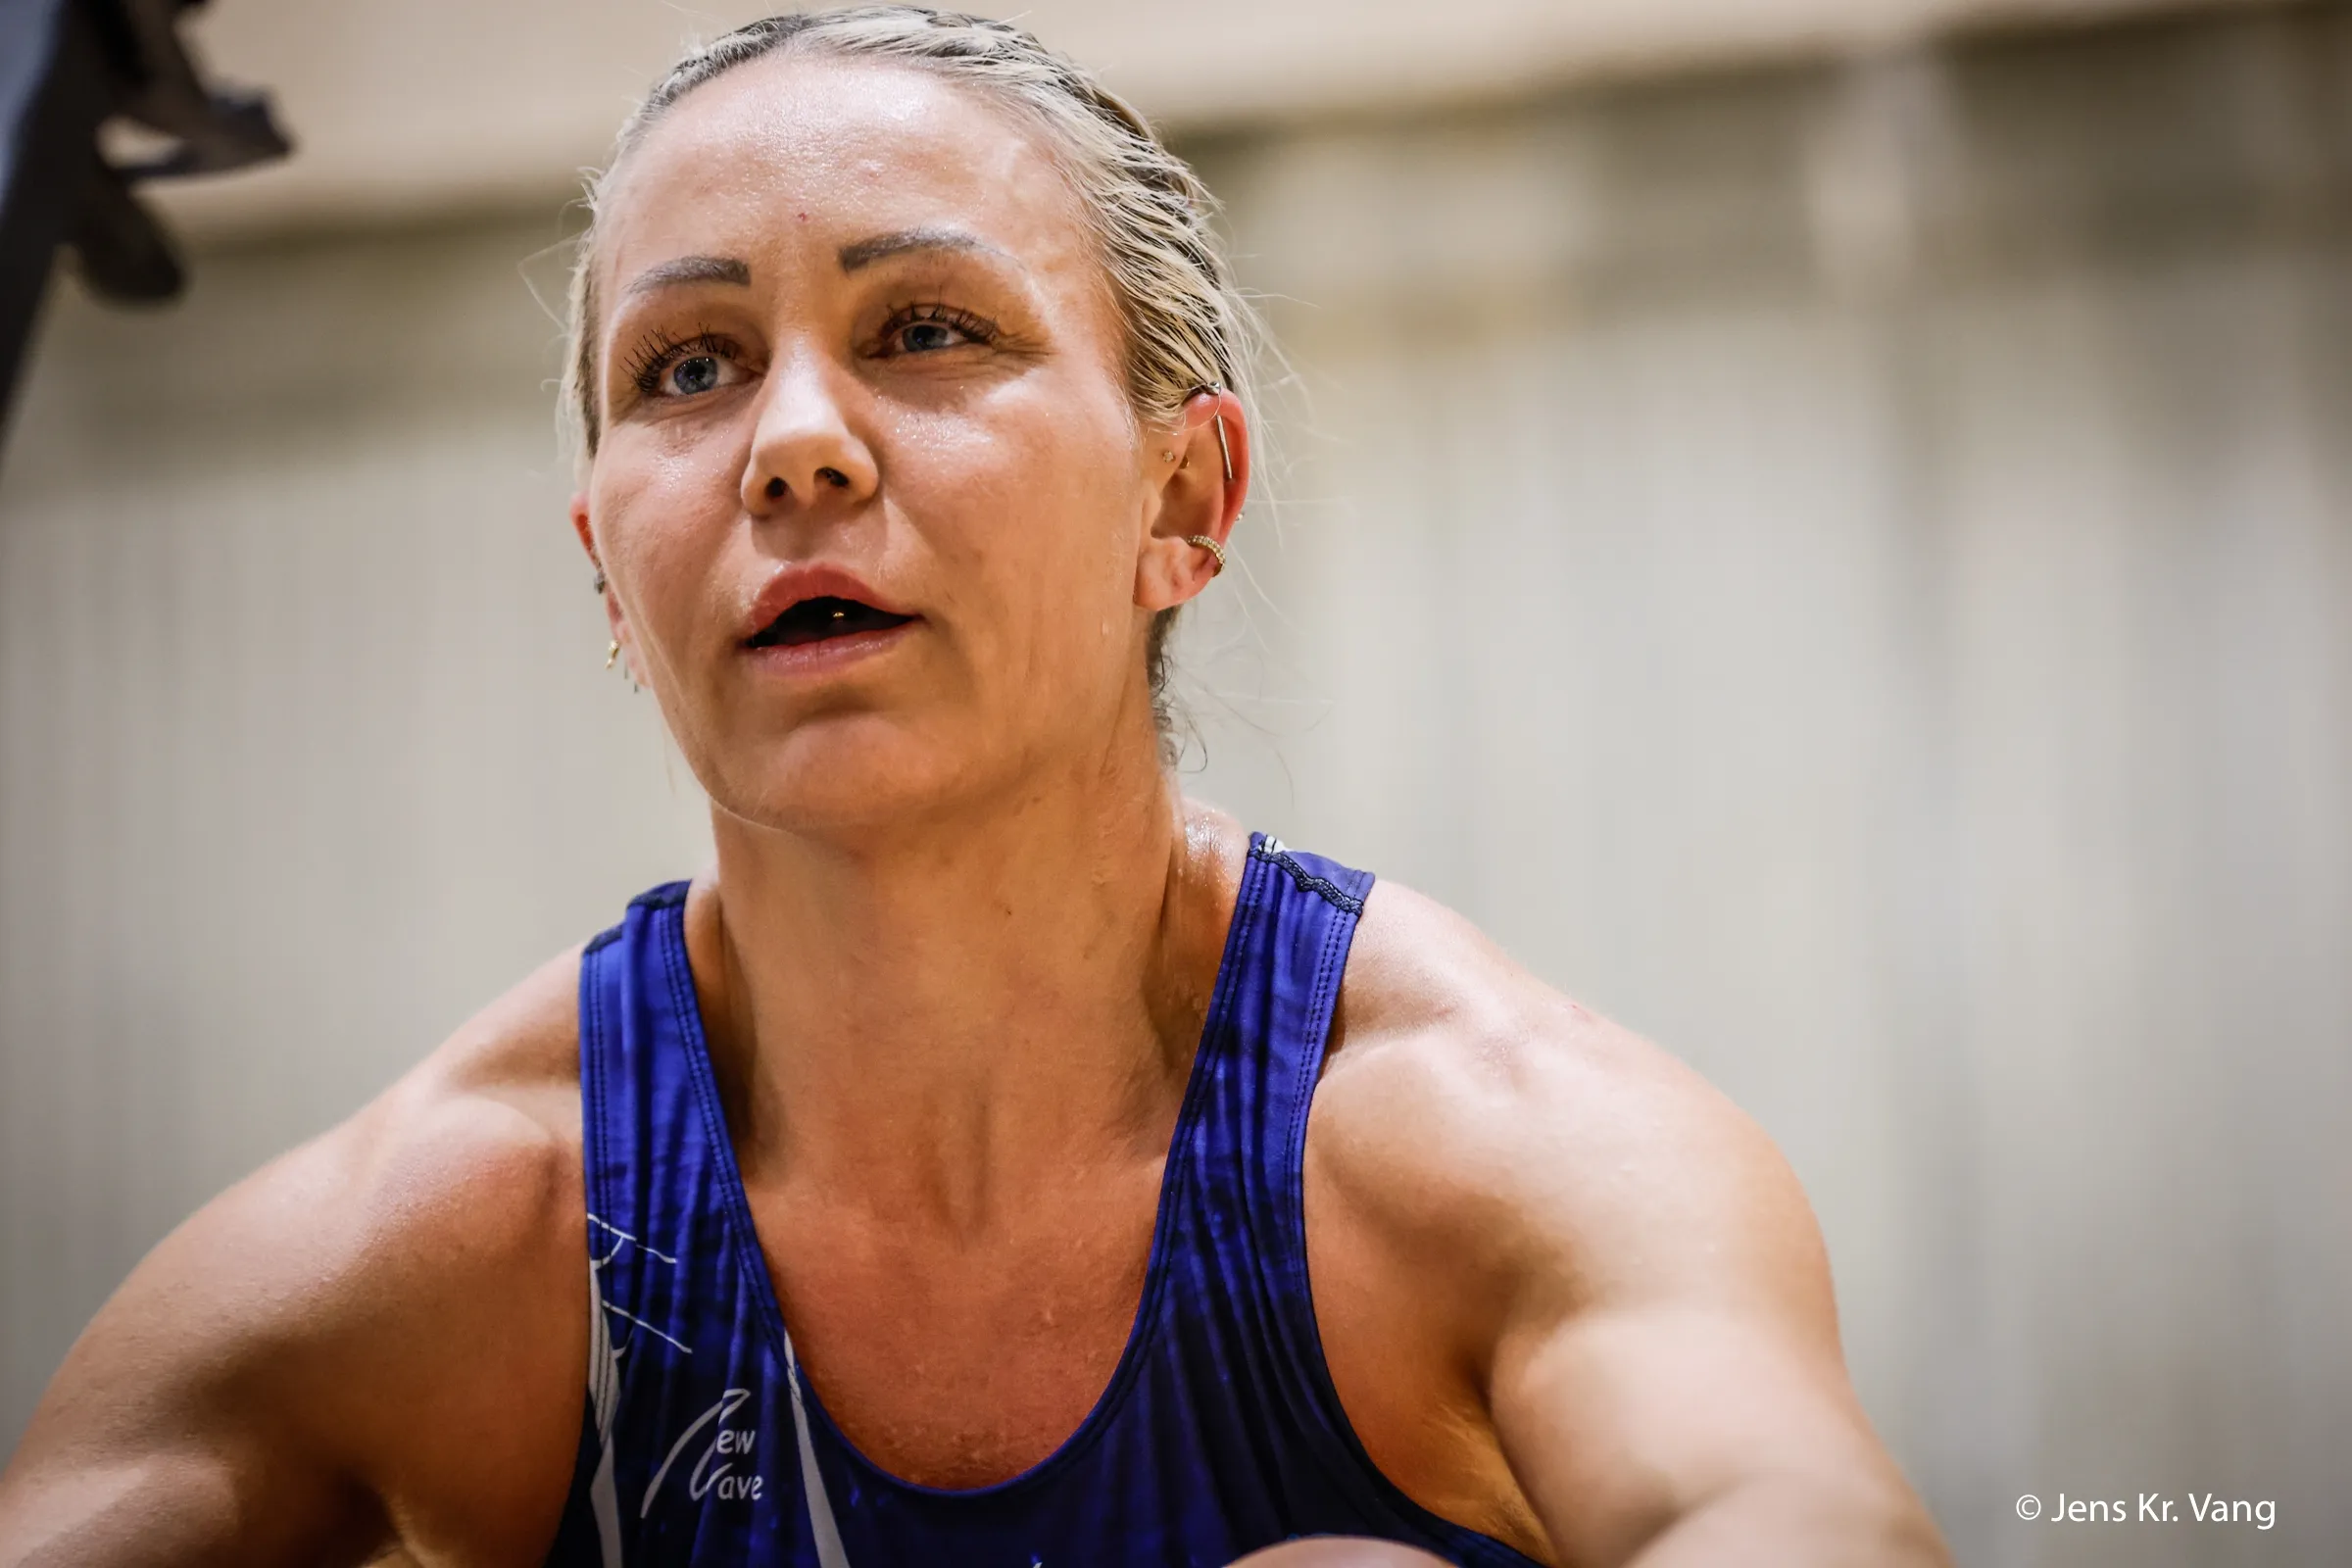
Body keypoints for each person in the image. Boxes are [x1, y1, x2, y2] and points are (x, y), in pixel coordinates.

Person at [0, 10, 1952, 1567]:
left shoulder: (1483, 1148)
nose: (794, 445)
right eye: (687, 366)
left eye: (925, 330)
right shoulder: (467, 1234)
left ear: (1184, 500)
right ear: (607, 567)